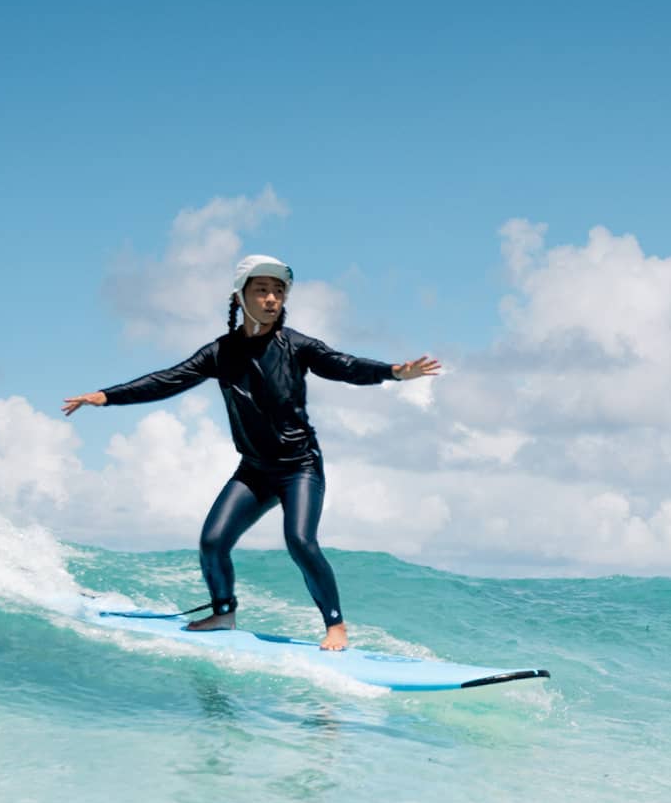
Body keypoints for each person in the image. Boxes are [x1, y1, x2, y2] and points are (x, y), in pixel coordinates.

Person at [64, 254, 441, 651]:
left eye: (278, 291)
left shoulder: (296, 346)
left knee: (300, 540)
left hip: (300, 467)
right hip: (254, 470)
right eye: (262, 290)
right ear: (241, 296)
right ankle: (224, 612)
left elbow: (344, 365)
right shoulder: (220, 353)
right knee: (212, 541)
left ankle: (336, 626)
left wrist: (394, 372)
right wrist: (106, 396)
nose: (272, 298)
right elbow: (167, 380)